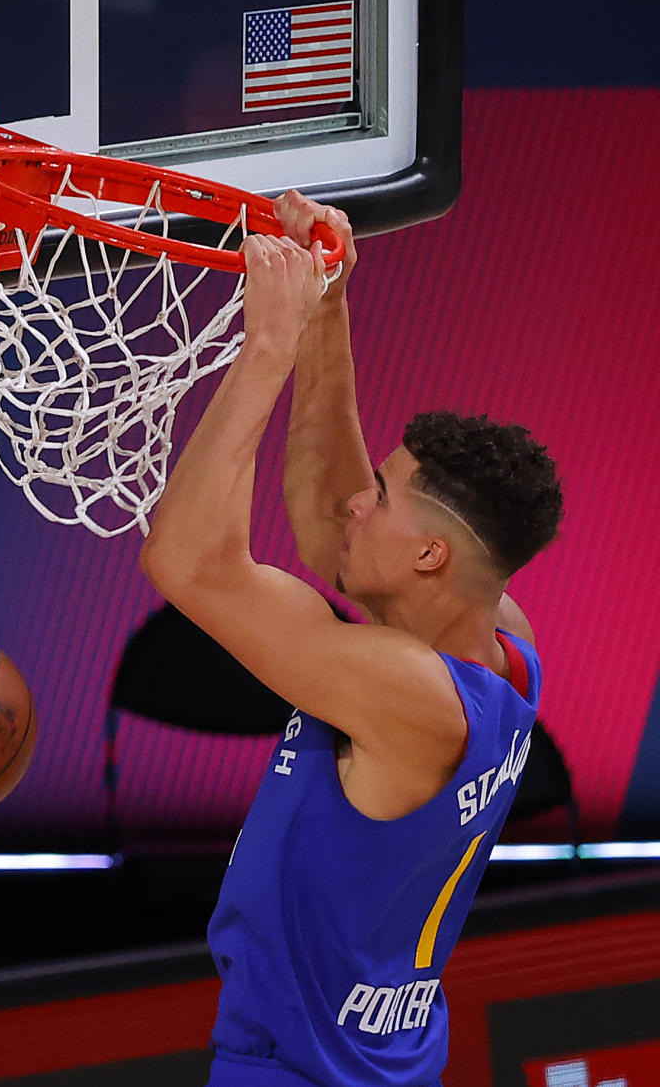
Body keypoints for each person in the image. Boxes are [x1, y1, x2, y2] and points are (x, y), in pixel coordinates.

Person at [139, 192, 564, 1087]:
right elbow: (334, 514)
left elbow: (185, 562)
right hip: (375, 1064)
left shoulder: (406, 688)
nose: (356, 503)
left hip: (302, 1073)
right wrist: (326, 302)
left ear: (429, 552)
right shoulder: (502, 645)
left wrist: (267, 349)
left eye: (383, 491)